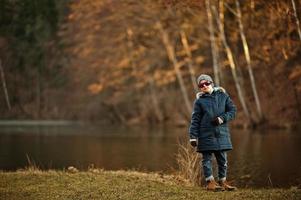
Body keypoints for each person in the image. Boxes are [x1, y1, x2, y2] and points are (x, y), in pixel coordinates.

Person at [189, 74, 237, 191]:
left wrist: (222, 118)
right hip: (205, 135)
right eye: (201, 85)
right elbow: (195, 120)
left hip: (222, 134)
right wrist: (193, 137)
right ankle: (210, 182)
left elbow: (233, 110)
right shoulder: (199, 102)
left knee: (223, 160)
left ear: (212, 83)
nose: (204, 86)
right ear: (200, 87)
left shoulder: (223, 96)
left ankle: (222, 181)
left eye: (206, 83)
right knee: (206, 160)